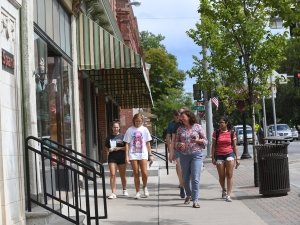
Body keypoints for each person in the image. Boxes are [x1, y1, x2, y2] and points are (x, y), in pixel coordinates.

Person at [175, 109, 207, 208]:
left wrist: (198, 140)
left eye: (183, 116)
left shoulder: (198, 127)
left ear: (189, 117)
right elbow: (175, 143)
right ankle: (188, 194)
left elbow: (206, 141)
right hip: (184, 155)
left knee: (195, 178)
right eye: (181, 117)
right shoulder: (180, 129)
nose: (181, 118)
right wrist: (179, 144)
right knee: (185, 179)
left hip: (196, 154)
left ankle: (195, 200)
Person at [123, 113, 154, 199]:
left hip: (143, 153)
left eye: (140, 121)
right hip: (133, 154)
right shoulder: (129, 130)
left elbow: (148, 143)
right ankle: (137, 192)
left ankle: (145, 186)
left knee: (144, 172)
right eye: (136, 121)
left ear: (142, 121)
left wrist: (150, 154)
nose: (138, 122)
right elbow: (127, 144)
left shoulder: (145, 129)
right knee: (136, 173)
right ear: (134, 121)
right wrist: (126, 156)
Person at [211, 116, 240, 202]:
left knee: (229, 175)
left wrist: (237, 157)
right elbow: (213, 146)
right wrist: (213, 157)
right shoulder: (216, 133)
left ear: (226, 123)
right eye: (219, 123)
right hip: (219, 155)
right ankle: (223, 189)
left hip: (229, 153)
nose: (220, 124)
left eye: (222, 122)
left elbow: (234, 146)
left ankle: (228, 194)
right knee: (221, 176)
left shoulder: (232, 133)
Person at [104, 121, 128, 199]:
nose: (116, 129)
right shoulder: (109, 137)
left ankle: (124, 189)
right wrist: (109, 150)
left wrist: (119, 148)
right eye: (114, 127)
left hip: (121, 157)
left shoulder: (123, 136)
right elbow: (106, 148)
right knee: (113, 174)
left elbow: (127, 147)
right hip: (112, 157)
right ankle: (113, 192)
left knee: (122, 175)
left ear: (119, 128)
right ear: (112, 128)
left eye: (117, 127)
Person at [167, 110, 185, 198]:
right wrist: (170, 150)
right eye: (177, 115)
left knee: (187, 168)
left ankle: (184, 183)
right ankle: (181, 184)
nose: (179, 117)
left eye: (180, 115)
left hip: (189, 150)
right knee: (179, 166)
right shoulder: (172, 125)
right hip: (177, 148)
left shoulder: (189, 123)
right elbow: (169, 137)